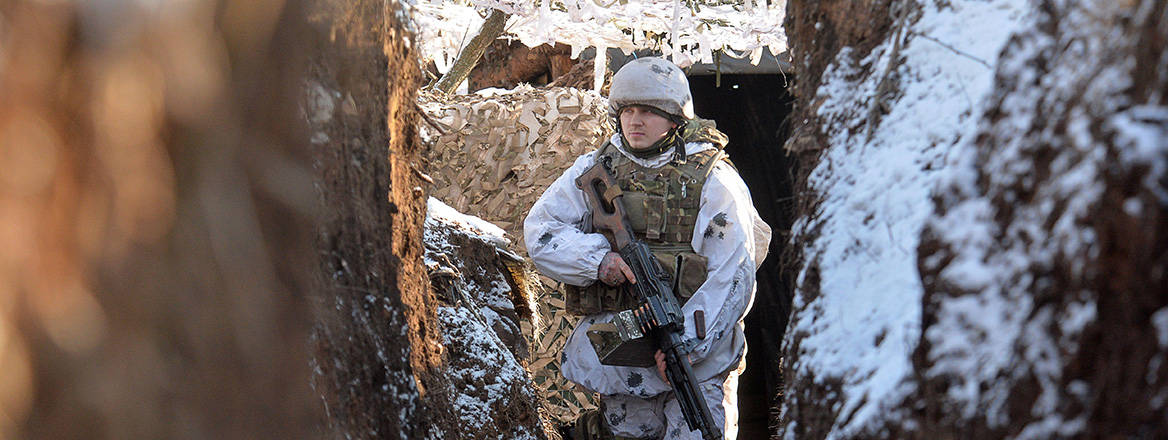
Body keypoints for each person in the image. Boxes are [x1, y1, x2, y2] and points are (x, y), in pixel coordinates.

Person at [523, 57, 771, 440]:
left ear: (675, 119)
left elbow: (734, 273)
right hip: (627, 354)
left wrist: (688, 344)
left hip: (696, 356)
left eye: (649, 112)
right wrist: (598, 260)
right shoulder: (595, 169)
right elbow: (541, 231)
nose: (635, 121)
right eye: (629, 111)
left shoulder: (713, 179)